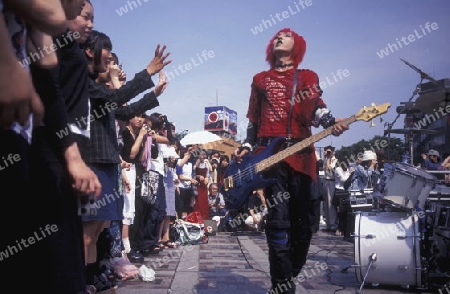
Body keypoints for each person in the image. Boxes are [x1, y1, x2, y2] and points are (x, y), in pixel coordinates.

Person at [234, 28, 348, 293]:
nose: (278, 38)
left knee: (305, 225)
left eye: (285, 36)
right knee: (277, 222)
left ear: (297, 46)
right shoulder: (260, 79)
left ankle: (288, 275)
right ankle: (283, 285)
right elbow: (253, 118)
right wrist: (248, 145)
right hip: (272, 158)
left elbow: (318, 107)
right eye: (275, 36)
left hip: (303, 157)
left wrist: (333, 122)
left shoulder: (307, 77)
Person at [322, 145, 339, 233]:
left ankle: (333, 225)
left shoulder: (335, 161)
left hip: (332, 181)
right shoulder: (326, 159)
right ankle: (328, 224)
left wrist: (328, 158)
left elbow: (330, 169)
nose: (327, 153)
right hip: (325, 181)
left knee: (330, 204)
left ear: (333, 152)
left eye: (329, 151)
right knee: (325, 204)